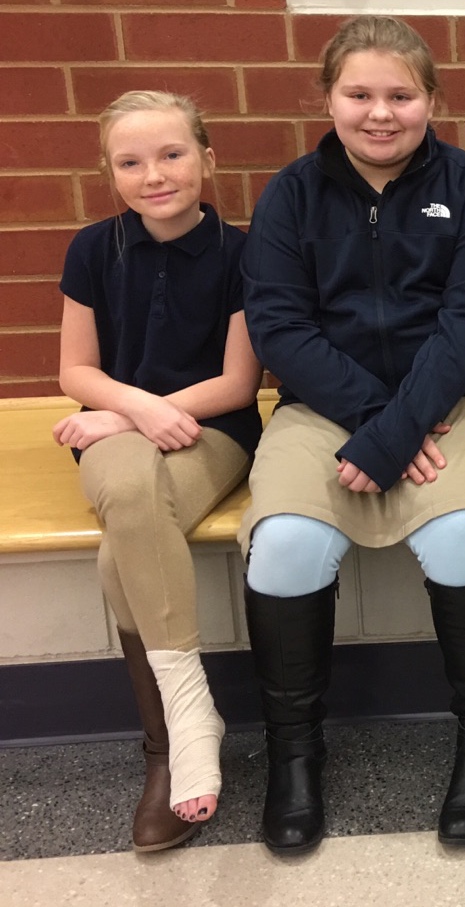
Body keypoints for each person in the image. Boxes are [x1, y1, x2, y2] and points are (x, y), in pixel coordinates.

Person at [240, 15, 465, 853]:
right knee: (284, 545)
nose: (379, 113)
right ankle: (294, 755)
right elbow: (279, 326)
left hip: (457, 403)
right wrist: (379, 423)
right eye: (358, 93)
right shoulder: (291, 194)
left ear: (431, 99)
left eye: (401, 95)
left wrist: (396, 430)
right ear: (326, 97)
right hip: (323, 409)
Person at [52, 90, 262, 851]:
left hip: (210, 430)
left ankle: (169, 742)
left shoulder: (244, 253)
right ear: (110, 173)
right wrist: (134, 411)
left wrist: (130, 414)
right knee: (130, 494)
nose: (155, 175)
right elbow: (76, 369)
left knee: (123, 544)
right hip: (118, 431)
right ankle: (185, 715)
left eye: (172, 154)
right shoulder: (91, 250)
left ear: (207, 158)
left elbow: (237, 383)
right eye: (131, 162)